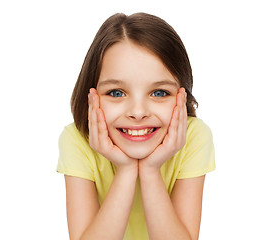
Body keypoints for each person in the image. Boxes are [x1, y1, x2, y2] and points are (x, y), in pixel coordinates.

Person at [57, 12, 215, 240]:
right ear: (92, 97)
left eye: (159, 93)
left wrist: (150, 171)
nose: (138, 112)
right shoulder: (76, 139)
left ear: (182, 98)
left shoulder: (194, 137)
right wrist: (127, 169)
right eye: (116, 93)